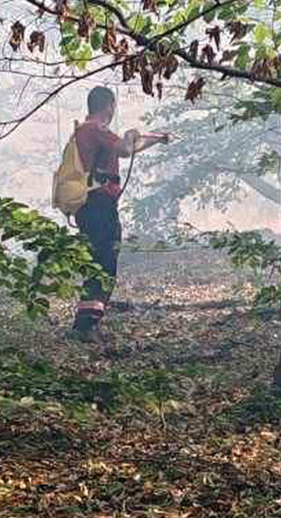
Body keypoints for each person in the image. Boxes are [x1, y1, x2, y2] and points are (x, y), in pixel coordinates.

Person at [68, 86, 170, 342]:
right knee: (104, 263)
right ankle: (86, 327)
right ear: (110, 105)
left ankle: (86, 323)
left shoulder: (87, 130)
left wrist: (155, 139)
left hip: (90, 206)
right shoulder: (95, 128)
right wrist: (129, 135)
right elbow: (125, 148)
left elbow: (126, 150)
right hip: (99, 206)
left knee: (99, 261)